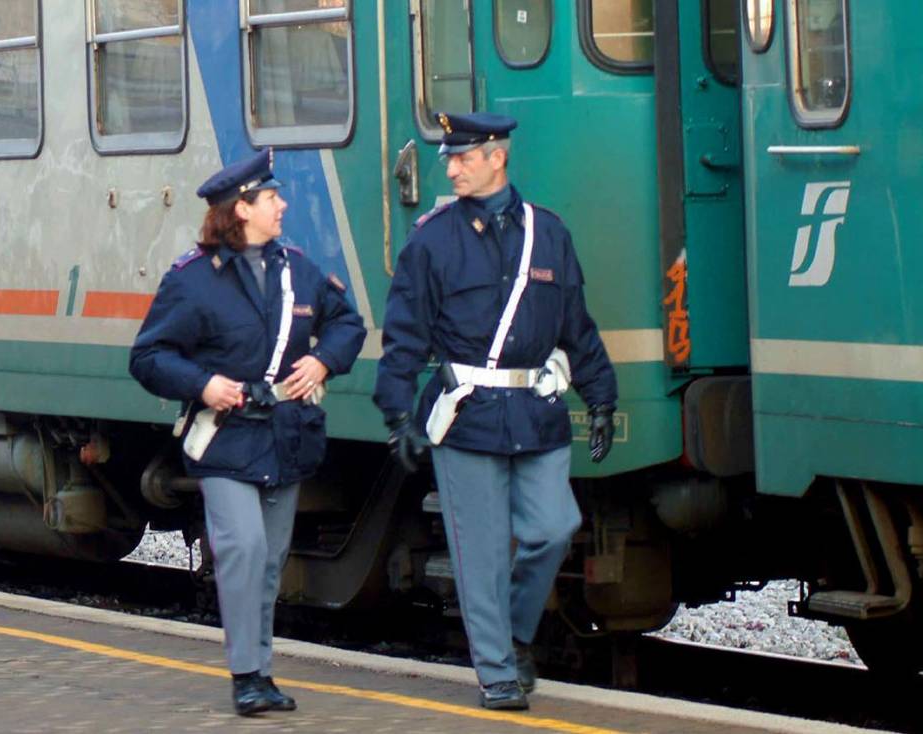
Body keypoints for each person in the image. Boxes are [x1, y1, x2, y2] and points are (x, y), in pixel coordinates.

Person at [373, 112, 617, 710]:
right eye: (448, 159)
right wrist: (397, 414)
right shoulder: (431, 240)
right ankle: (496, 671)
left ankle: (514, 634)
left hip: (536, 413)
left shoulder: (549, 234)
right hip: (467, 416)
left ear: (496, 157)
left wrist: (602, 398)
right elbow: (404, 334)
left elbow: (576, 328)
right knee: (478, 554)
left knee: (554, 528)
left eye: (461, 158)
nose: (450, 168)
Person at [130, 149, 366, 716]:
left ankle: (260, 668)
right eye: (271, 198)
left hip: (285, 436)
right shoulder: (192, 281)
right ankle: (246, 676)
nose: (282, 204)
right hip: (225, 439)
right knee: (244, 549)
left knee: (269, 560)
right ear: (241, 210)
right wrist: (203, 383)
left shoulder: (298, 268)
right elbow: (148, 356)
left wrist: (325, 361)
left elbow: (347, 323)